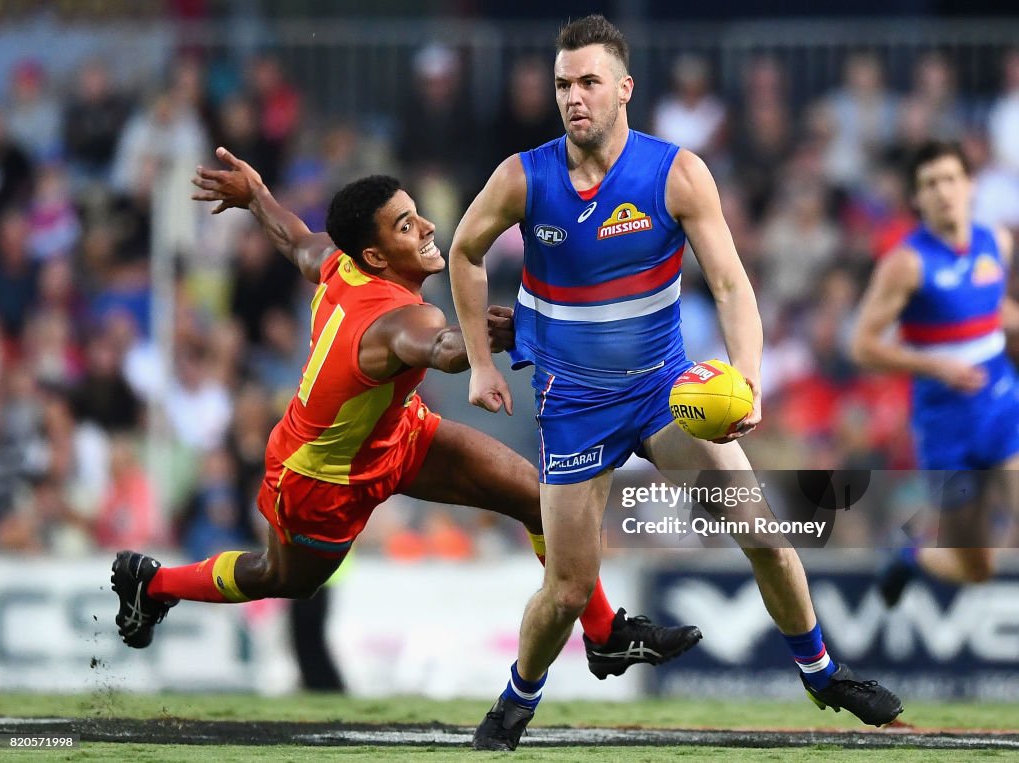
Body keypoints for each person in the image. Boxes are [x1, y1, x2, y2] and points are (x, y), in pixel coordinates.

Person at [448, 15, 902, 750]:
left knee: (765, 533)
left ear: (625, 88)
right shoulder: (521, 176)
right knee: (566, 590)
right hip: (575, 407)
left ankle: (823, 674)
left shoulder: (676, 173)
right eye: (564, 84)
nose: (574, 97)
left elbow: (729, 283)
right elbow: (464, 252)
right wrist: (477, 360)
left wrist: (748, 378)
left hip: (666, 393)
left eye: (589, 81)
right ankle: (514, 703)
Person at [110, 146, 702, 685]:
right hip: (321, 476)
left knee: (534, 495)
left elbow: (294, 239)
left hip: (396, 432)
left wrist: (256, 197)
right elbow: (441, 349)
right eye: (405, 225)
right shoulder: (403, 321)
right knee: (283, 579)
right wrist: (495, 341)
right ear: (375, 254)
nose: (426, 227)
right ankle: (153, 583)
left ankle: (605, 636)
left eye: (416, 214)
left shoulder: (340, 263)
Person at [852, 140, 1018, 605]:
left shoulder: (996, 243)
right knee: (978, 567)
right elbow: (862, 345)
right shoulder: (905, 264)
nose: (942, 191)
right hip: (947, 429)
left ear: (970, 186)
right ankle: (914, 557)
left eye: (950, 179)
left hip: (1004, 410)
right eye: (929, 184)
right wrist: (934, 365)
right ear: (916, 199)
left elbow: (991, 309)